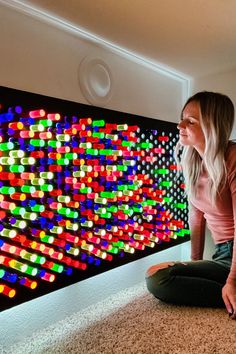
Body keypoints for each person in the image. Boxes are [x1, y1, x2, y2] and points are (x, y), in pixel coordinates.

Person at [145, 91, 236, 319]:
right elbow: (196, 216)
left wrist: (232, 281)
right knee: (157, 276)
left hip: (233, 255)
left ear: (211, 127)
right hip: (224, 254)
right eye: (182, 117)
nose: (180, 125)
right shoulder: (192, 162)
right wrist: (194, 264)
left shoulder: (233, 158)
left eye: (190, 121)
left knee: (160, 279)